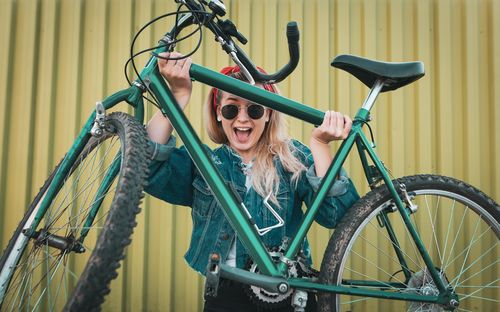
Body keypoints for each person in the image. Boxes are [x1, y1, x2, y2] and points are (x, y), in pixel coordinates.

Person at [145, 52, 360, 312]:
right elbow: (147, 164)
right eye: (231, 108)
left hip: (289, 293)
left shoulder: (293, 159)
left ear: (268, 114)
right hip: (225, 294)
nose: (243, 118)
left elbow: (338, 215)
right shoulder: (204, 164)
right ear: (219, 113)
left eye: (254, 108)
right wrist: (177, 95)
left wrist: (321, 145)